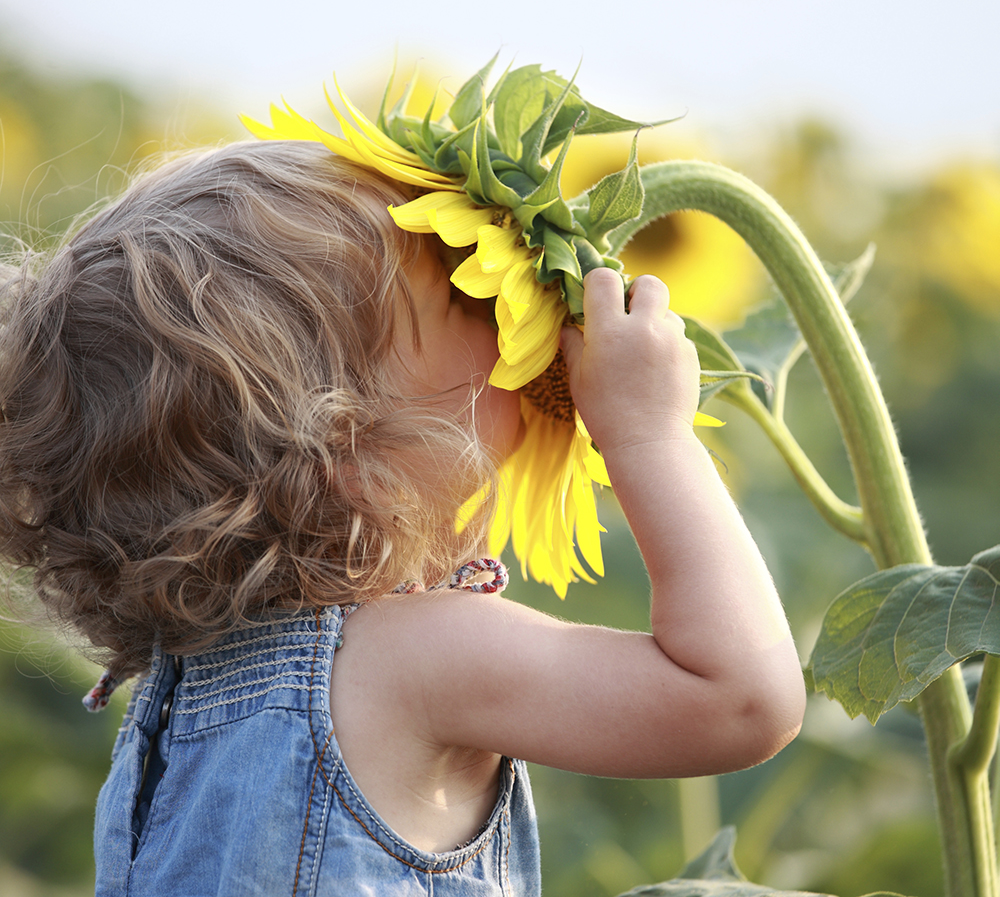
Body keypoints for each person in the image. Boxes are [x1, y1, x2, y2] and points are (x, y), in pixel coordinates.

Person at [0, 139, 805, 896]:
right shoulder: (413, 659)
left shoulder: (179, 694)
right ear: (353, 453)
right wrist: (647, 431)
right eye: (461, 298)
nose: (502, 319)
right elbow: (740, 699)